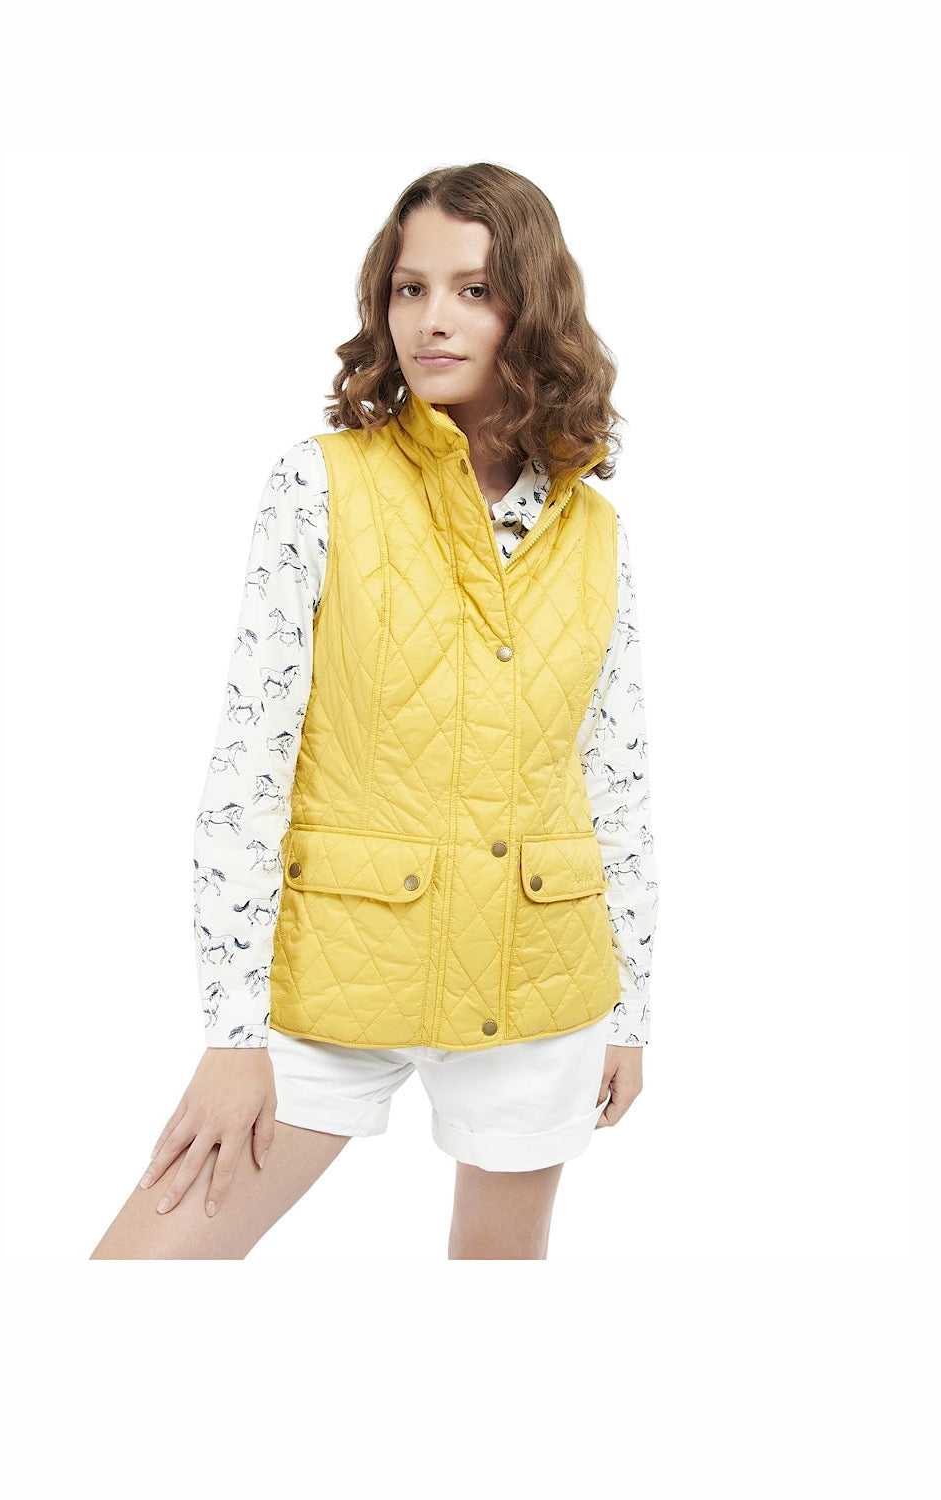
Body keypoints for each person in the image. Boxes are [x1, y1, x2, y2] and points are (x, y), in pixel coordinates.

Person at [90, 162, 659, 1261]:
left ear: (533, 308)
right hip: (335, 969)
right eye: (409, 288)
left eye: (473, 290)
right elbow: (249, 764)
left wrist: (630, 1009)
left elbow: (614, 779)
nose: (432, 319)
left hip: (538, 972)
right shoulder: (318, 485)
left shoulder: (595, 531)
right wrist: (233, 1035)